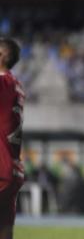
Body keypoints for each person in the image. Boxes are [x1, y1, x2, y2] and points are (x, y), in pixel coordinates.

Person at [0, 38, 25, 239]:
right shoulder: (14, 84)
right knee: (5, 230)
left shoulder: (4, 83)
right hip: (11, 168)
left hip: (1, 167)